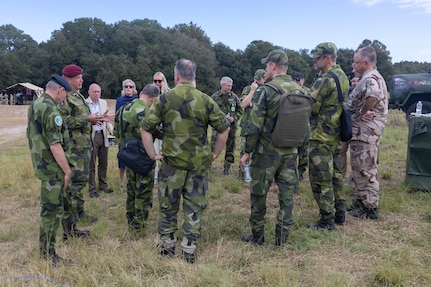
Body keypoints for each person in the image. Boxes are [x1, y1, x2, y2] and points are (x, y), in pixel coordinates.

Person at [140, 58, 230, 263]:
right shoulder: (206, 99)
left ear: (176, 76)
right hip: (198, 165)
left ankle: (168, 245)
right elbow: (224, 129)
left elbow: (145, 129)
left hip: (171, 164)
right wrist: (214, 154)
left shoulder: (164, 99)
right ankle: (189, 247)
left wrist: (153, 155)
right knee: (194, 205)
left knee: (168, 205)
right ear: (194, 77)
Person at [240, 49, 305, 246]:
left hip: (266, 153)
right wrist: (301, 153)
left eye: (267, 65)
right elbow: (305, 127)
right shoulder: (301, 90)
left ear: (273, 66)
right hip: (291, 152)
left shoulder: (266, 90)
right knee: (287, 197)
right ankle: (282, 239)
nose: (266, 69)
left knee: (259, 194)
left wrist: (247, 152)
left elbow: (254, 126)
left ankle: (258, 236)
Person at [27, 75, 76, 265]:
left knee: (53, 208)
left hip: (42, 164)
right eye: (65, 95)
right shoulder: (50, 109)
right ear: (60, 90)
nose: (64, 99)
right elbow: (55, 145)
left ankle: (48, 249)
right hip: (52, 168)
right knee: (51, 211)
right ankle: (48, 254)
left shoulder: (37, 104)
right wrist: (67, 171)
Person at [60, 64, 111, 226]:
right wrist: (87, 120)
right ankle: (72, 216)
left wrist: (98, 118)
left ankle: (79, 212)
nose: (82, 80)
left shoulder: (78, 96)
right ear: (68, 79)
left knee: (80, 182)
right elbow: (64, 121)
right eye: (78, 77)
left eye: (81, 77)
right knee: (74, 183)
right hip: (74, 148)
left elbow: (85, 117)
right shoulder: (65, 97)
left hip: (83, 146)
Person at [307, 42, 350, 231]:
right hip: (336, 134)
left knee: (320, 178)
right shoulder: (343, 77)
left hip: (320, 136)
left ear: (328, 58)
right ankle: (340, 213)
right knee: (336, 175)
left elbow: (311, 106)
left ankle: (326, 219)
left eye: (317, 57)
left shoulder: (324, 80)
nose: (315, 61)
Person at [347, 46, 388, 220]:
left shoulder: (370, 78)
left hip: (366, 131)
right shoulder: (364, 77)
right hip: (361, 132)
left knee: (366, 168)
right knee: (358, 166)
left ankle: (370, 207)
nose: (353, 64)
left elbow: (374, 96)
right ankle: (360, 198)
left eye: (356, 61)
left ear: (366, 62)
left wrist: (364, 111)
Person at [115, 84, 160, 230]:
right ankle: (139, 224)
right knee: (144, 191)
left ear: (141, 93)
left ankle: (130, 217)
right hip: (143, 157)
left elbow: (116, 132)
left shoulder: (122, 109)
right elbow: (158, 132)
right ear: (153, 100)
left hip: (128, 156)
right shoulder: (146, 112)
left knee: (131, 188)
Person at [85, 83, 114, 198]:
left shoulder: (103, 103)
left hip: (103, 134)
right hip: (92, 135)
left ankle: (103, 185)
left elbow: (106, 119)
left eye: (98, 91)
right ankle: (92, 188)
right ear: (89, 92)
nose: (97, 94)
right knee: (91, 163)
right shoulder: (85, 104)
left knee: (103, 161)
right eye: (94, 91)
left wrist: (111, 130)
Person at [211, 76, 242, 175]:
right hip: (218, 127)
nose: (230, 88)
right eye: (228, 86)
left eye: (231, 86)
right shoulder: (215, 97)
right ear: (222, 85)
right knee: (213, 145)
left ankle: (227, 166)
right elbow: (209, 111)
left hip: (231, 126)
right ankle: (208, 163)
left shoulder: (233, 97)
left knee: (230, 146)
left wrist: (234, 118)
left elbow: (240, 110)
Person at [239, 69, 266, 179]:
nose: (257, 82)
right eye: (256, 79)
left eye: (259, 80)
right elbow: (244, 104)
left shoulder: (267, 90)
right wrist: (252, 91)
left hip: (261, 126)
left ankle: (257, 176)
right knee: (245, 151)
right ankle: (245, 175)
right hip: (247, 126)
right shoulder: (248, 89)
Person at [114, 79, 139, 188]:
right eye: (126, 86)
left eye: (130, 86)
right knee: (123, 157)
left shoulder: (137, 100)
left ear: (134, 88)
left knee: (136, 156)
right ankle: (121, 181)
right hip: (123, 132)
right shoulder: (119, 100)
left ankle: (134, 179)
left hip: (135, 133)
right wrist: (116, 134)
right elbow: (116, 117)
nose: (128, 88)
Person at [292, 72, 311, 182]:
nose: (299, 82)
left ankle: (300, 171)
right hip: (292, 123)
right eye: (297, 80)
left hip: (305, 123)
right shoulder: (290, 91)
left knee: (304, 150)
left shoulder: (308, 91)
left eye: (301, 80)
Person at [152, 72, 170, 183]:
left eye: (160, 81)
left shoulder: (169, 93)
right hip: (154, 125)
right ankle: (154, 175)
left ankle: (166, 174)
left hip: (166, 125)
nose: (158, 83)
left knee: (166, 151)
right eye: (155, 81)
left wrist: (163, 92)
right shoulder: (150, 92)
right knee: (154, 150)